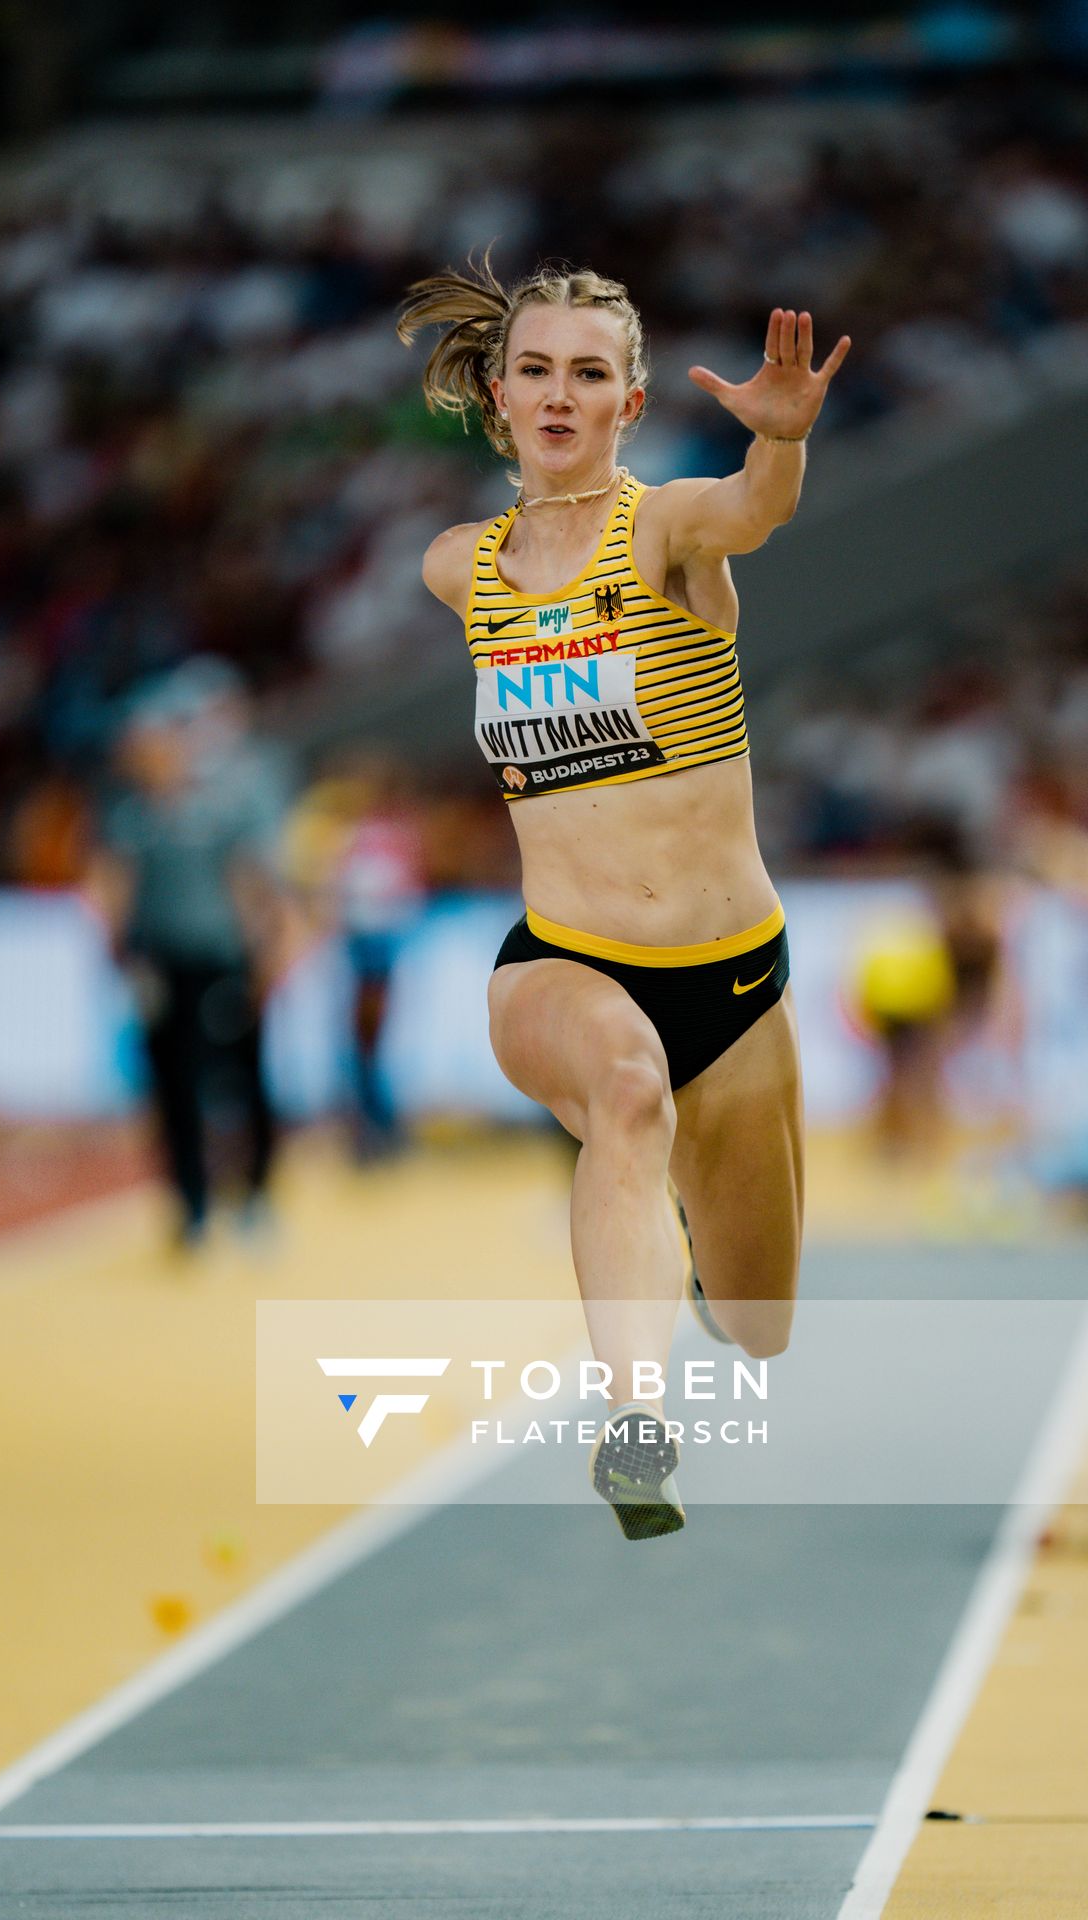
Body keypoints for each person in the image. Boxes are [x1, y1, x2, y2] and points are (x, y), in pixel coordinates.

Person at [399, 256, 850, 1539]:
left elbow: (750, 513)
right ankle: (633, 1423)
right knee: (625, 1088)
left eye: (586, 374)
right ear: (497, 397)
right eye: (534, 370)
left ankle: (705, 1271)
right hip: (559, 963)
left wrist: (780, 447)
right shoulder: (457, 569)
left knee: (760, 1326)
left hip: (730, 978)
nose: (557, 394)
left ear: (629, 404)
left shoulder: (664, 532)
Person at [88, 670, 290, 1251]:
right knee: (172, 1088)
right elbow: (115, 888)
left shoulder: (216, 808)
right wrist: (119, 953)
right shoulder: (129, 816)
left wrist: (266, 952)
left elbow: (250, 883)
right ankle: (192, 1207)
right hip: (160, 965)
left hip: (222, 960)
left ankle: (254, 1198)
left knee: (241, 1081)